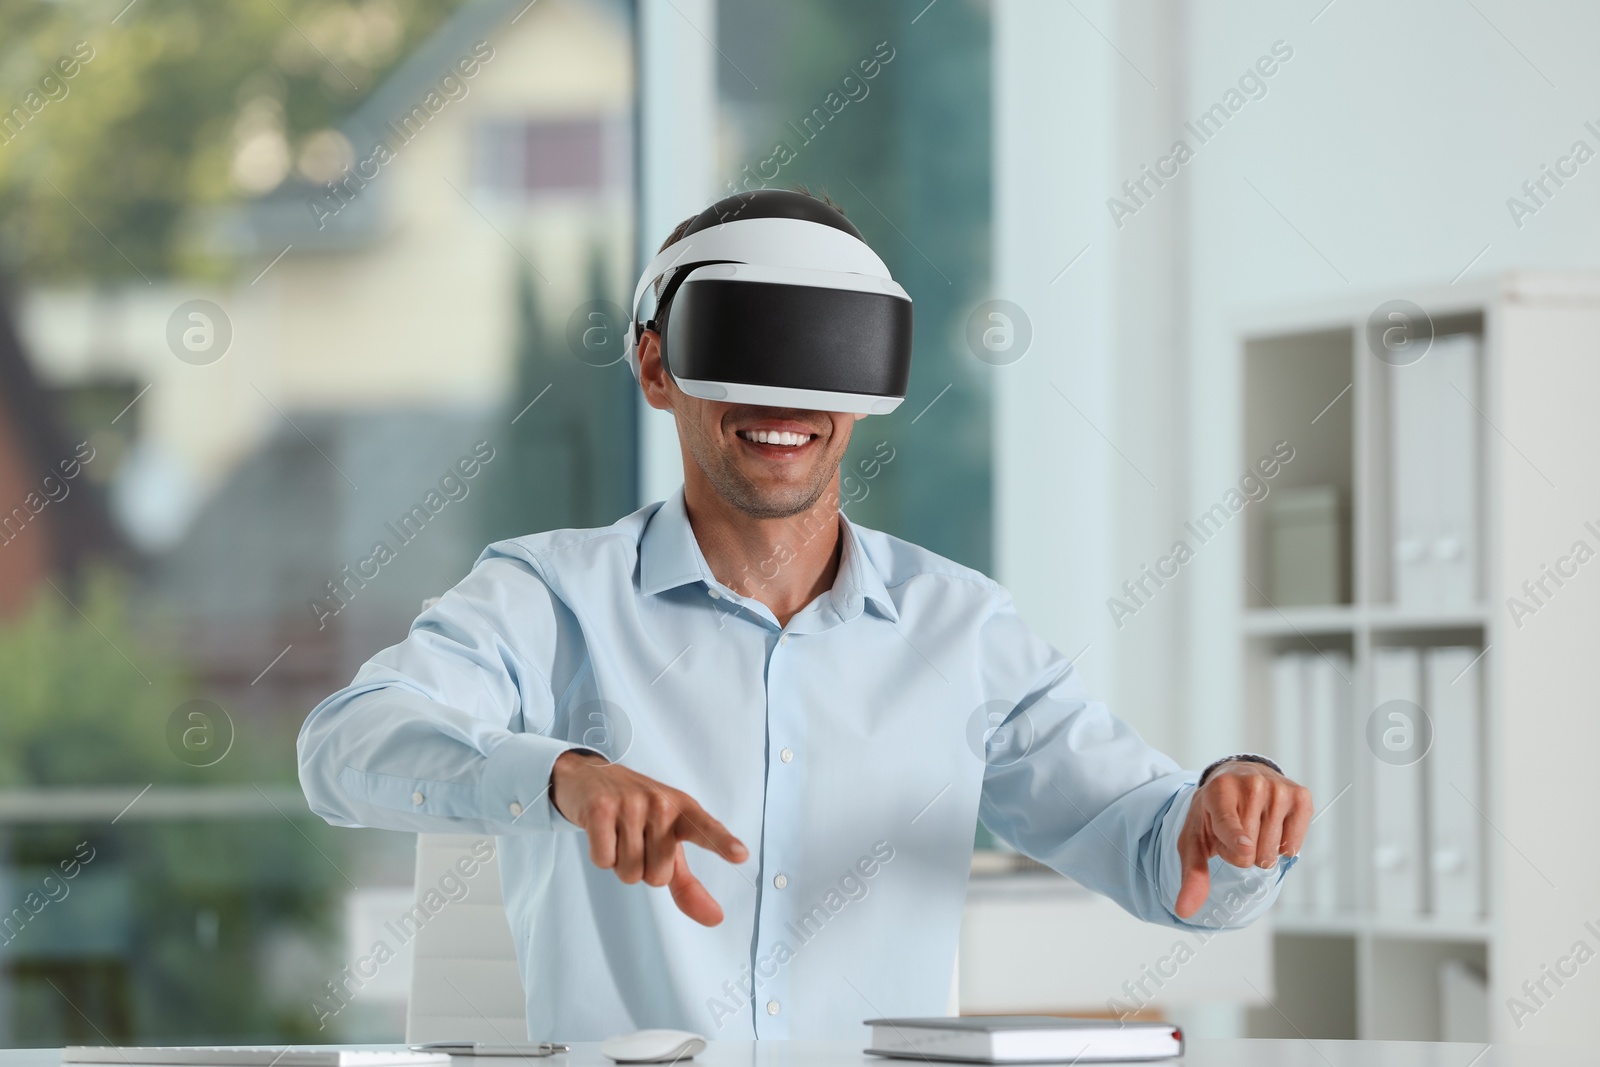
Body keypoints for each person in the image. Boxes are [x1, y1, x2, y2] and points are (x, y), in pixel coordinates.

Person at [298, 188, 1311, 1041]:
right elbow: (344, 747)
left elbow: (1154, 851)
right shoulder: (548, 597)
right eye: (747, 339)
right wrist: (557, 775)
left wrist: (1230, 816)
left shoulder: (963, 630)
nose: (786, 393)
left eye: (826, 346)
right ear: (657, 367)